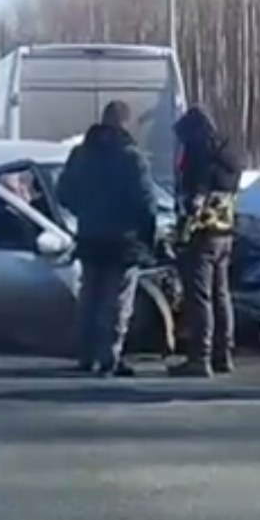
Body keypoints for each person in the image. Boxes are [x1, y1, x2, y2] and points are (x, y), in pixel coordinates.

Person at [55, 100, 159, 377]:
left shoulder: (81, 154)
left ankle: (87, 356)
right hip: (123, 242)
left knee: (89, 299)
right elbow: (146, 203)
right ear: (126, 123)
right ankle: (109, 358)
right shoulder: (132, 158)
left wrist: (86, 212)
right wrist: (148, 237)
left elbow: (63, 193)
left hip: (90, 238)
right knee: (117, 304)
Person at [170, 105, 245, 378]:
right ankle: (223, 354)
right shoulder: (229, 157)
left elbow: (194, 200)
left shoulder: (199, 158)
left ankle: (199, 358)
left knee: (200, 298)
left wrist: (182, 232)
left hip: (202, 234)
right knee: (221, 296)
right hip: (225, 233)